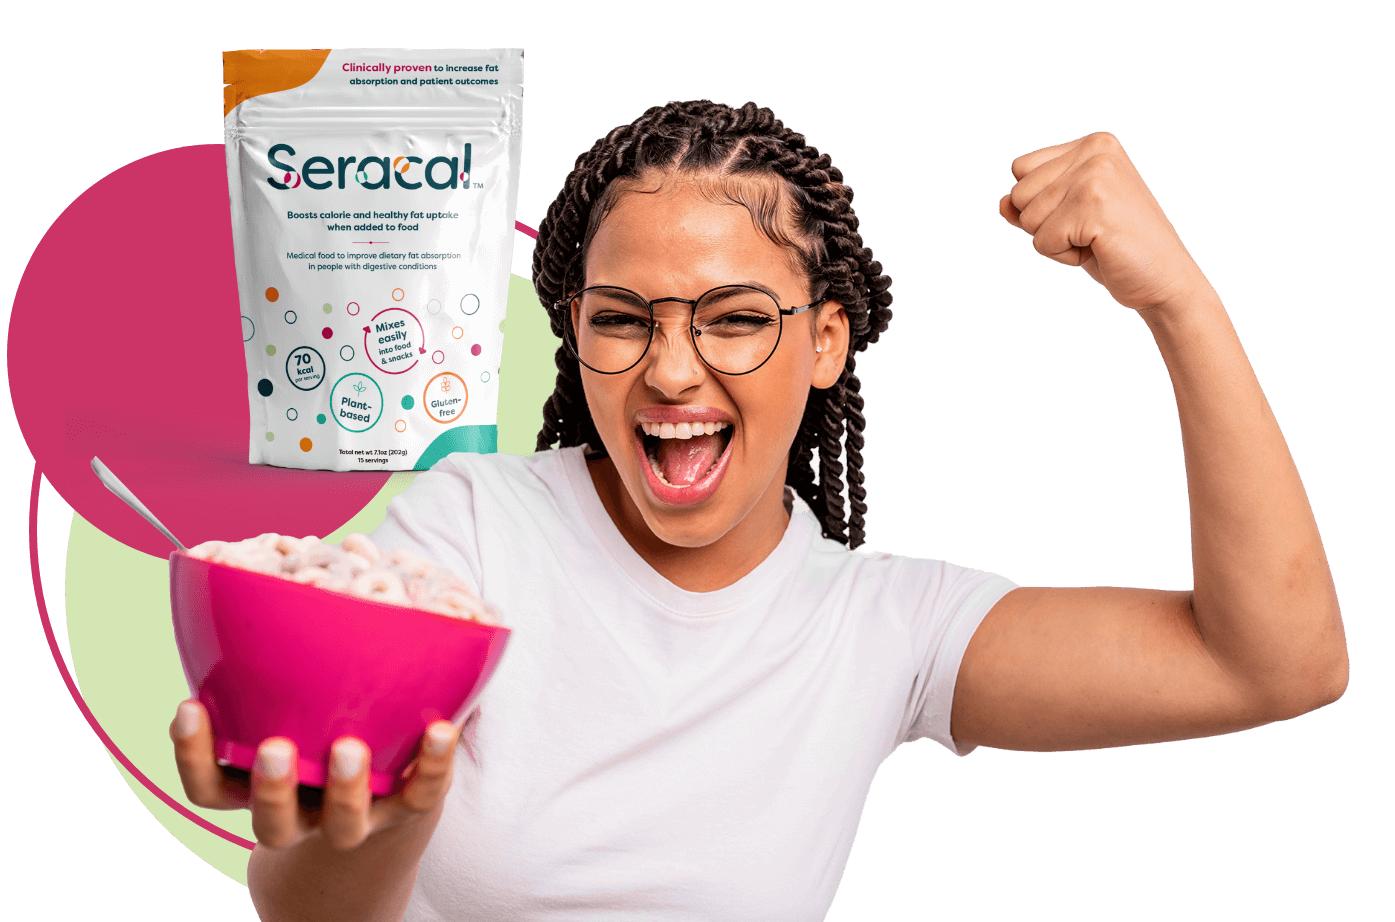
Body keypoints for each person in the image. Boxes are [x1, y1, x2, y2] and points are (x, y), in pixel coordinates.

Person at [169, 100, 1348, 921]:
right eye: (621, 318)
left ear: (825, 339)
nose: (670, 372)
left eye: (733, 316)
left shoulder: (883, 626)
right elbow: (314, 914)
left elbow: (1271, 665)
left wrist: (1179, 300)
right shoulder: (467, 529)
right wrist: (354, 821)